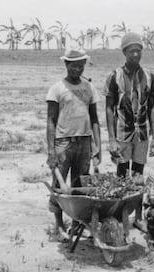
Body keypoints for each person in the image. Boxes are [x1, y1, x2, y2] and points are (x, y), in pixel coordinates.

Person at [46, 49, 101, 242]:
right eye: (74, 65)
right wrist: (51, 150)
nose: (78, 68)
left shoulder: (89, 88)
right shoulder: (57, 88)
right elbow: (51, 120)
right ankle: (59, 223)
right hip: (63, 143)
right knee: (59, 186)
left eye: (81, 65)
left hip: (84, 141)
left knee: (80, 186)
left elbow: (94, 118)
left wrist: (98, 146)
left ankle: (78, 224)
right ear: (66, 65)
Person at [103, 32, 154, 178]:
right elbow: (109, 108)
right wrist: (112, 139)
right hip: (122, 133)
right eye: (131, 51)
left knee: (138, 173)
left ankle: (136, 200)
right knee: (122, 174)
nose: (135, 54)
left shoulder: (149, 76)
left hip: (142, 133)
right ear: (124, 52)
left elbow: (152, 107)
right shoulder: (115, 76)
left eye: (138, 51)